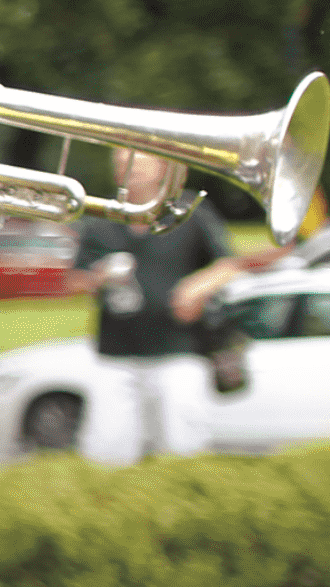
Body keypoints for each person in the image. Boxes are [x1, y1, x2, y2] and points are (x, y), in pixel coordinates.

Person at [65, 149, 231, 465]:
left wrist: (197, 287)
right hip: (116, 353)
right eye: (121, 165)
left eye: (138, 165)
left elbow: (227, 265)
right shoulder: (103, 218)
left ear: (161, 169)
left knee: (184, 447)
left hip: (179, 350)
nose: (129, 172)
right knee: (106, 451)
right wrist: (98, 278)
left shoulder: (188, 210)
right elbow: (73, 281)